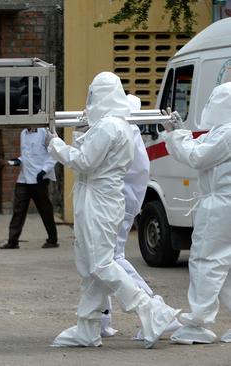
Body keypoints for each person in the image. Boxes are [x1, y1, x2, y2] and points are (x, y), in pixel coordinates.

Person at [46, 72, 179, 349]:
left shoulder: (110, 127)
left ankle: (151, 310)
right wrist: (81, 131)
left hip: (100, 200)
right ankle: (88, 326)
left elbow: (83, 161)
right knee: (91, 265)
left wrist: (56, 145)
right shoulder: (112, 125)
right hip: (98, 198)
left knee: (101, 263)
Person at [100, 94, 181, 338]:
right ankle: (100, 318)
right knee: (100, 262)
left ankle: (156, 310)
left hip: (114, 205)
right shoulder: (129, 132)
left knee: (110, 260)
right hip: (121, 204)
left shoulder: (123, 133)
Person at [162, 82, 231, 344]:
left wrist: (177, 135)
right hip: (222, 203)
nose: (210, 106)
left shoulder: (227, 132)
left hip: (220, 206)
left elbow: (197, 157)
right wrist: (177, 133)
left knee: (205, 261)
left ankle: (198, 323)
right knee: (224, 266)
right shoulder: (221, 131)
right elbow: (194, 146)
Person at [1, 127, 58, 249]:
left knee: (45, 209)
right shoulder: (23, 133)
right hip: (24, 177)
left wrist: (44, 171)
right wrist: (18, 161)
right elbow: (27, 155)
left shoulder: (46, 132)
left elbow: (54, 153)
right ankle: (12, 241)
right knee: (18, 209)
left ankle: (52, 239)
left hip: (39, 177)